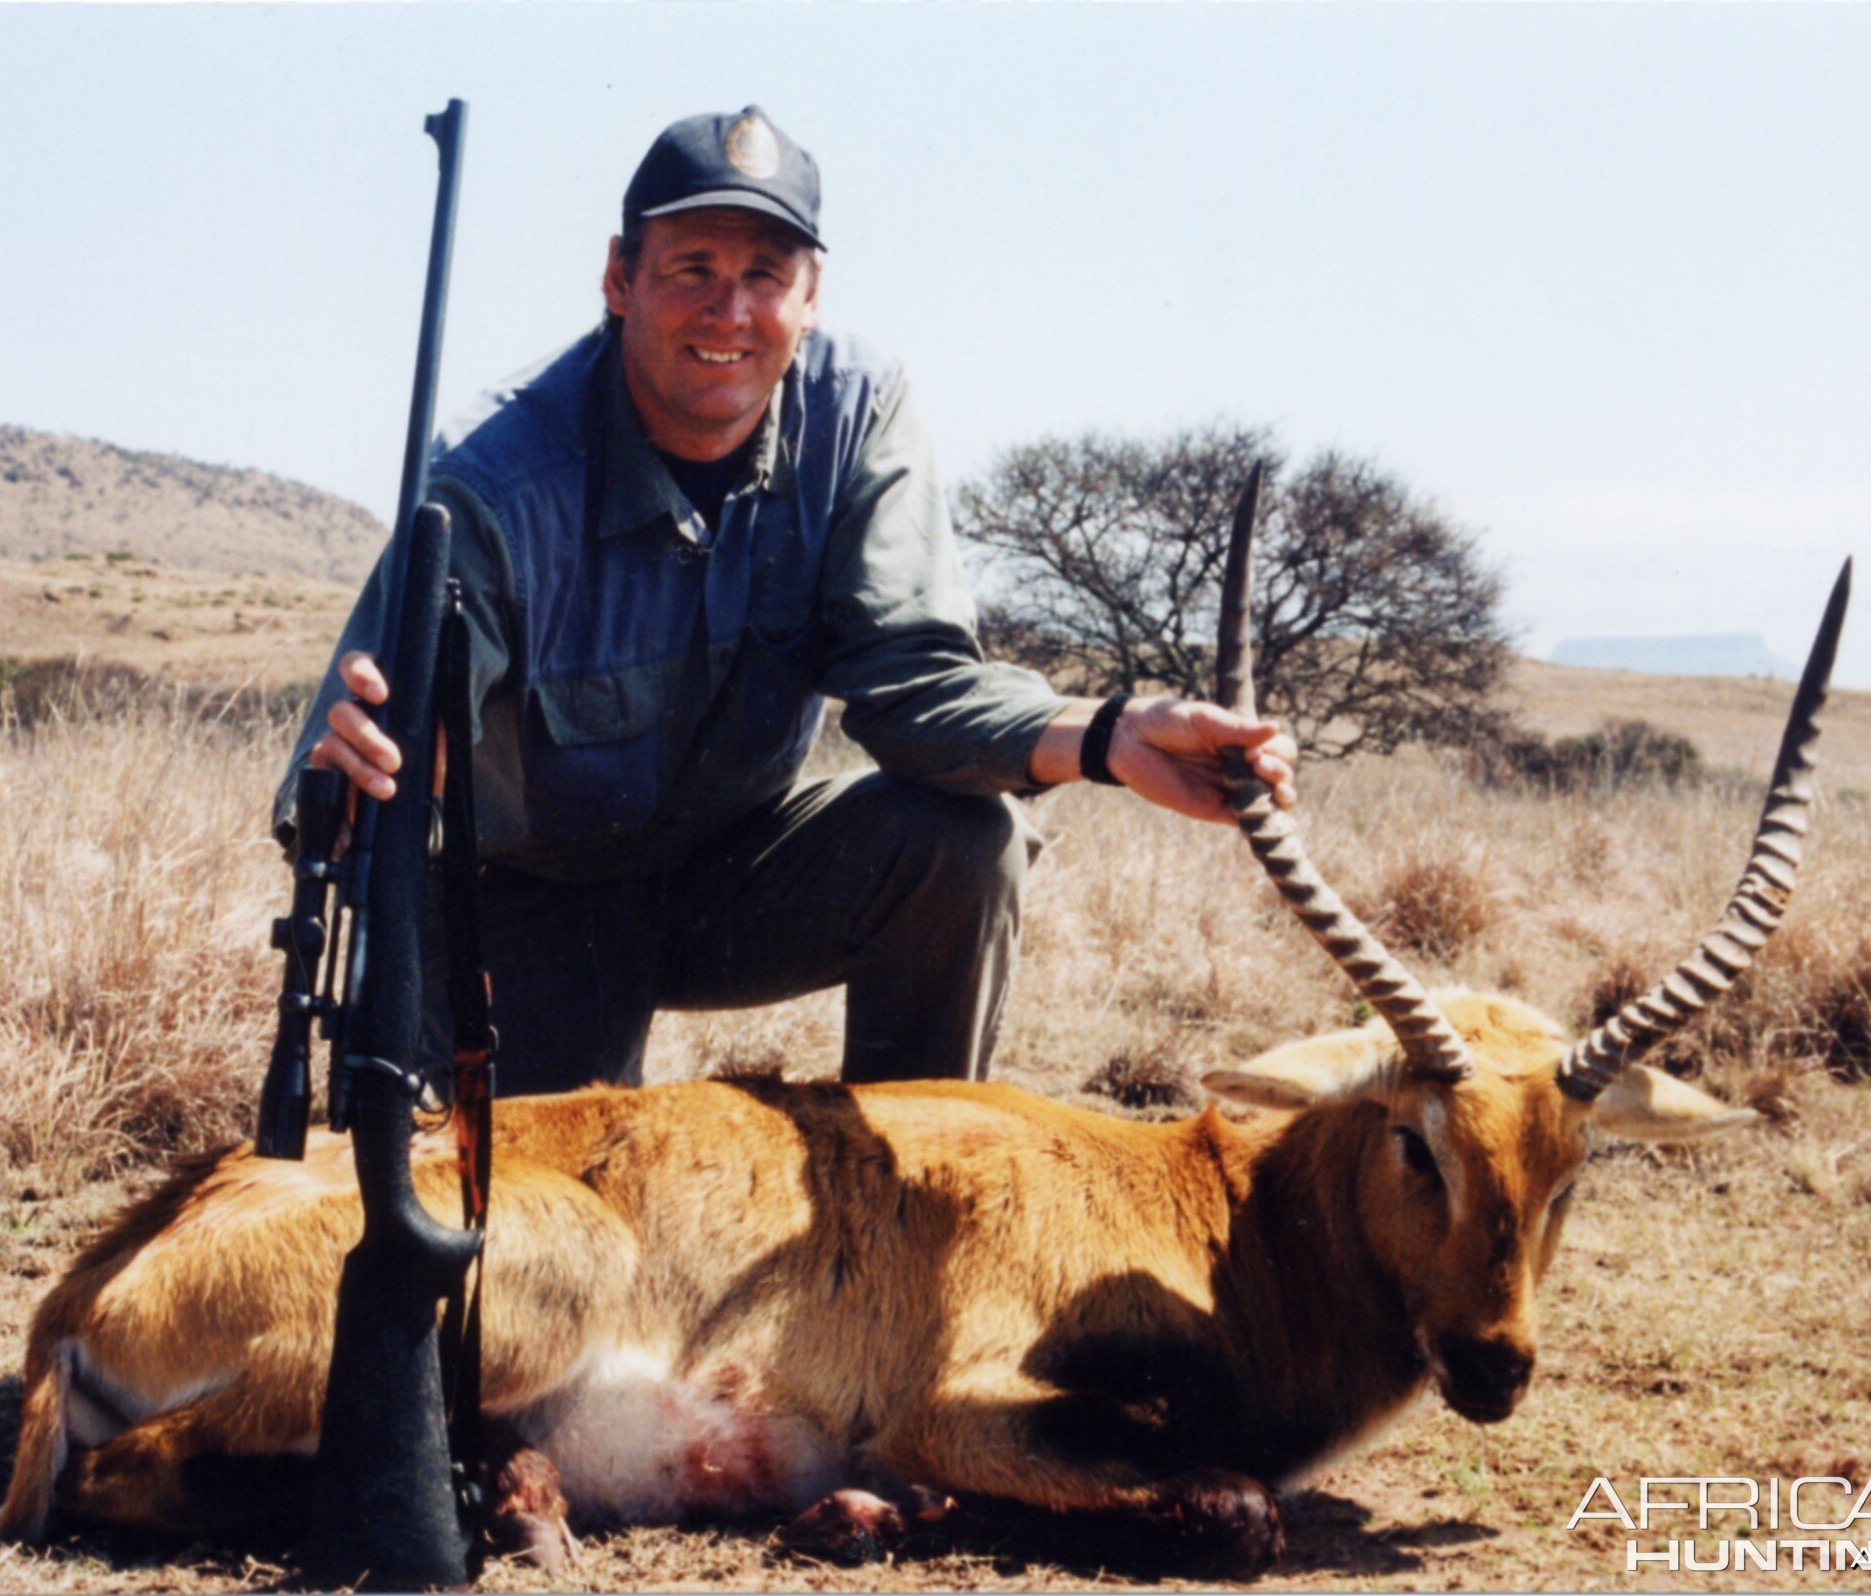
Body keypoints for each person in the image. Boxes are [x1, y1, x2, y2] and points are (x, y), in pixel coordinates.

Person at [278, 105, 1298, 1097]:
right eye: (691, 271)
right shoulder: (489, 484)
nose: (730, 314)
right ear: (618, 280)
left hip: (740, 874)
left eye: (765, 276)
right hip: (532, 906)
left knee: (966, 839)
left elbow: (912, 685)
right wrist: (359, 794)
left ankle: (907, 1214)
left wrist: (1111, 734)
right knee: (530, 1233)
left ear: (811, 296)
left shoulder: (857, 410)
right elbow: (335, 788)